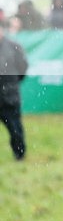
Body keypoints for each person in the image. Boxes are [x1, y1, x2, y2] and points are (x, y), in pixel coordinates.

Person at [0, 18, 28, 160]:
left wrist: (11, 83)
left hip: (9, 96)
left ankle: (19, 155)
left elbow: (22, 67)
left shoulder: (13, 47)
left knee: (15, 128)